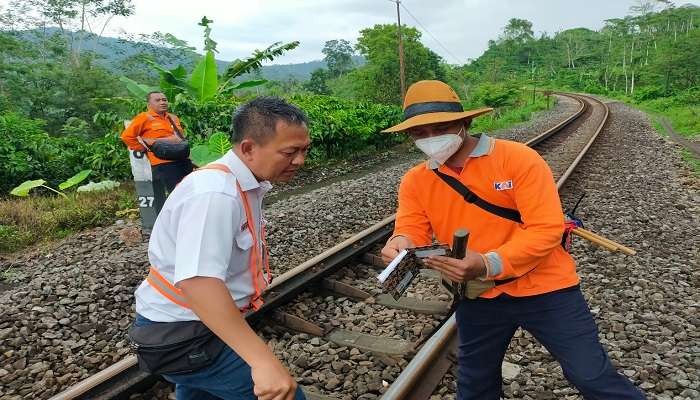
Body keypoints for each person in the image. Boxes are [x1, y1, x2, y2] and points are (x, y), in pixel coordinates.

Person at [380, 80, 645, 400]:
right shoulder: (416, 181)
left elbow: (546, 229)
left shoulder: (519, 159)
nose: (431, 139)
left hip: (547, 288)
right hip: (479, 296)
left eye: (441, 127)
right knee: (474, 385)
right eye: (419, 133)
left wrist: (486, 263)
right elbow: (412, 226)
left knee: (590, 375)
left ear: (465, 122)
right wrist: (401, 242)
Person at [131, 97, 311, 400]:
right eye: (290, 152)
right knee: (287, 395)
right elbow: (199, 283)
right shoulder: (215, 194)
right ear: (249, 148)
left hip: (194, 325)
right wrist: (262, 361)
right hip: (185, 334)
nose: (300, 161)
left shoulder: (244, 183)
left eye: (304, 150)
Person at [121, 91, 194, 192]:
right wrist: (144, 148)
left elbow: (180, 138)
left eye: (164, 100)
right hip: (163, 165)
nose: (162, 102)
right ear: (149, 105)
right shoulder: (144, 117)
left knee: (190, 192)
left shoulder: (173, 117)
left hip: (183, 161)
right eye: (157, 100)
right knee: (173, 196)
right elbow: (127, 136)